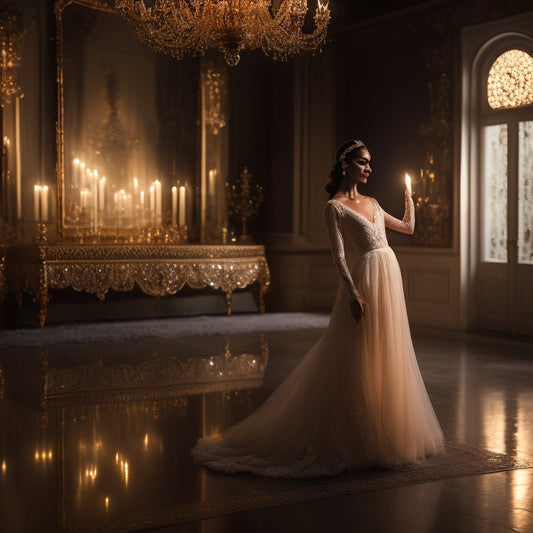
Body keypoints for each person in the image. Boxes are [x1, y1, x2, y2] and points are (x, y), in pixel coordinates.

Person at [191, 139, 445, 478]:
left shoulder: (372, 201)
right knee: (357, 353)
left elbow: (408, 228)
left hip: (390, 276)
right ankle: (358, 433)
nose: (369, 168)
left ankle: (390, 428)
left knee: (389, 350)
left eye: (370, 163)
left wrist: (410, 197)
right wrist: (353, 293)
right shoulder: (334, 207)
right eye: (363, 162)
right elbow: (339, 256)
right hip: (366, 279)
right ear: (346, 164)